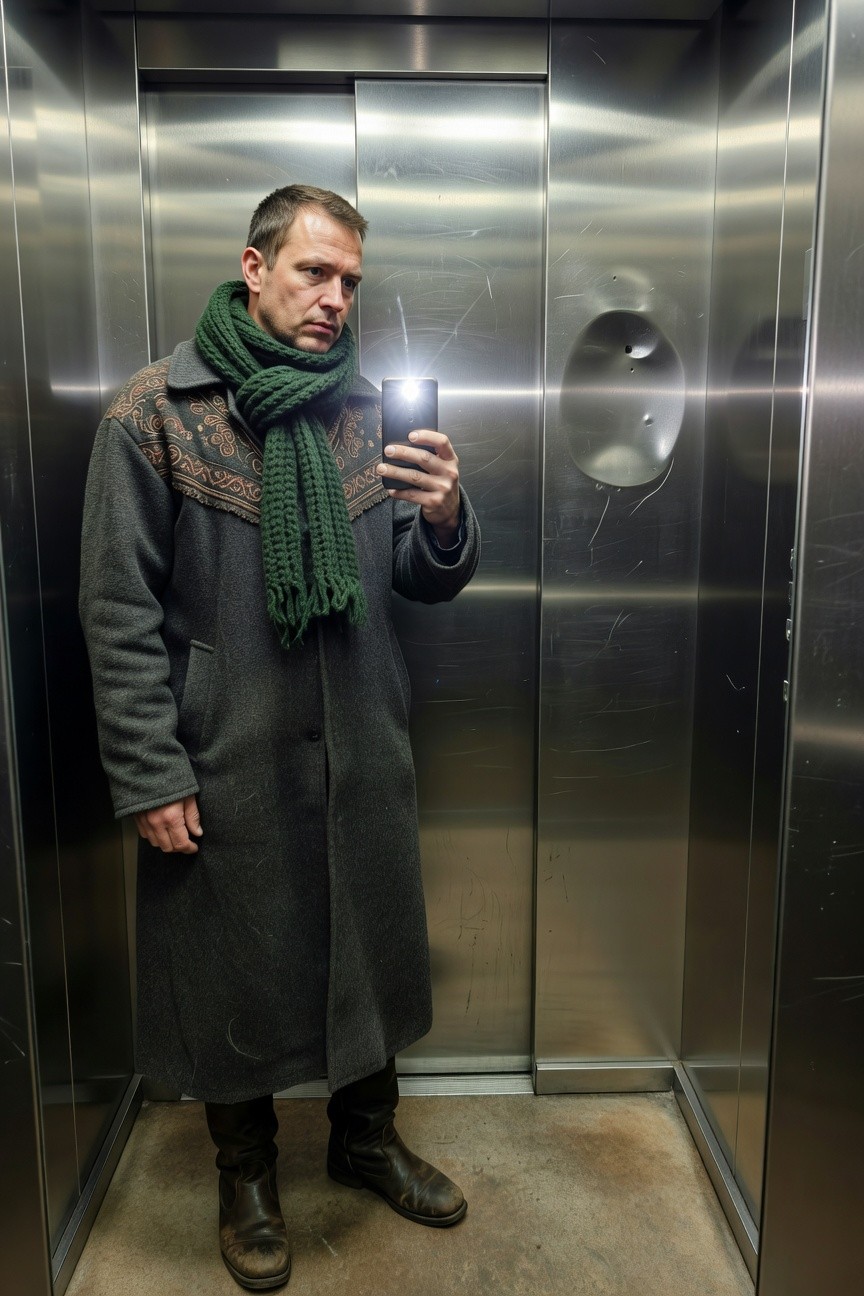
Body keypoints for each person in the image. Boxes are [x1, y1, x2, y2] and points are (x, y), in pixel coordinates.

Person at [79, 184, 480, 1291]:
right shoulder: (150, 415)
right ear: (255, 269)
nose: (335, 299)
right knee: (233, 967)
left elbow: (416, 572)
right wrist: (149, 771)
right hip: (226, 750)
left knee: (367, 939)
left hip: (361, 739)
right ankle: (245, 1170)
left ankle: (364, 1137)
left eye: (351, 280)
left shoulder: (364, 410)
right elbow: (115, 611)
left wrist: (444, 519)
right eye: (314, 272)